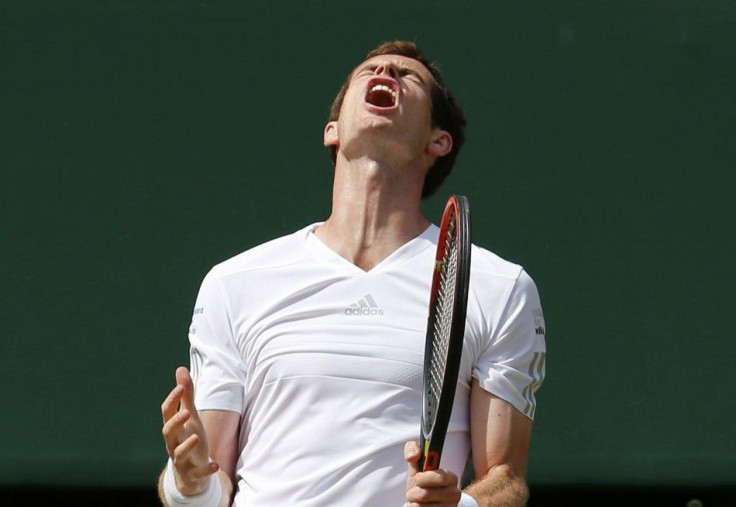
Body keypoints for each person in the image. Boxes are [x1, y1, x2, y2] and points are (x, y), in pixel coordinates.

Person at [159, 40, 546, 507]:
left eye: (409, 76)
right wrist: (189, 483)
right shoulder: (233, 283)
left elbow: (506, 480)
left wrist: (458, 504)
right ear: (332, 130)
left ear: (437, 141)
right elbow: (210, 487)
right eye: (371, 69)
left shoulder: (499, 288)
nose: (385, 71)